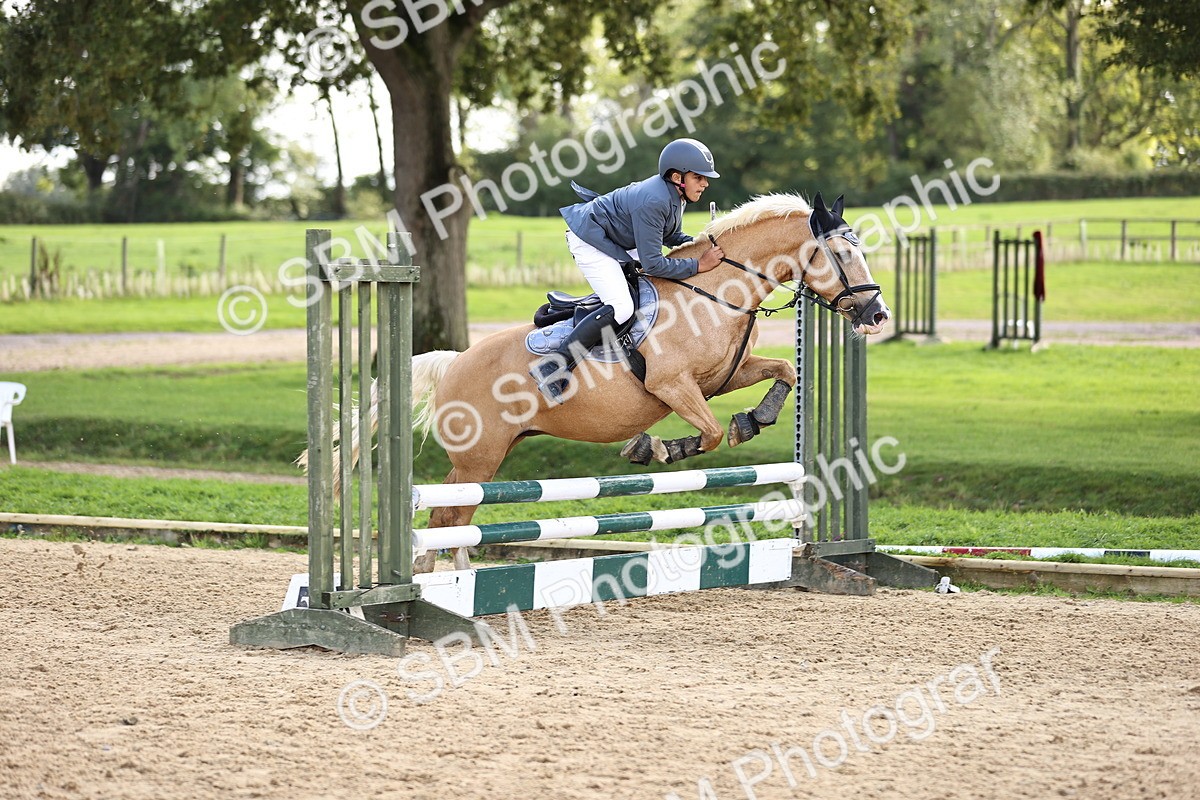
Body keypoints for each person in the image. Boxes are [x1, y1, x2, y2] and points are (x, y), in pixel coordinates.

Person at [529, 137, 725, 402]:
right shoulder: (655, 199)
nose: (705, 183)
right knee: (622, 307)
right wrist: (699, 264)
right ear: (677, 177)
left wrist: (699, 243)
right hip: (590, 240)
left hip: (617, 239)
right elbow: (654, 263)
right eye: (698, 177)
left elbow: (669, 236)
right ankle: (554, 365)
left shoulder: (675, 196)